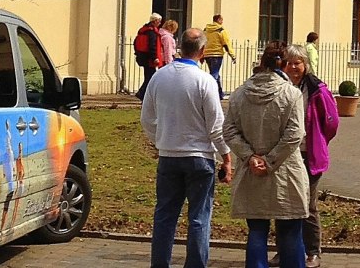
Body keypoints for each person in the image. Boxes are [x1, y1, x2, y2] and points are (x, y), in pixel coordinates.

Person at [141, 29, 232, 268]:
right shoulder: (205, 81)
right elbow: (216, 125)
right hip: (200, 156)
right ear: (202, 52)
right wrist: (226, 156)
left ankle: (159, 264)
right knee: (199, 218)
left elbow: (147, 119)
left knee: (165, 216)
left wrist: (160, 139)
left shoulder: (159, 77)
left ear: (180, 46)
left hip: (169, 155)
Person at [225, 42, 312, 268]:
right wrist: (270, 160)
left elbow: (229, 130)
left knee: (256, 229)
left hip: (252, 172)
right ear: (282, 64)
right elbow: (295, 134)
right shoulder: (291, 94)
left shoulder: (239, 93)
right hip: (285, 172)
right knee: (291, 231)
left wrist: (251, 157)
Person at [284, 44, 340, 267]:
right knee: (284, 204)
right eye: (289, 63)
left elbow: (332, 122)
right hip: (286, 154)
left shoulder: (318, 89)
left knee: (308, 204)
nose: (293, 67)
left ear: (305, 65)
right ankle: (286, 250)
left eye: (297, 63)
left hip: (310, 154)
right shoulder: (282, 86)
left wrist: (319, 140)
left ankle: (313, 252)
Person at [134, 14, 162, 99]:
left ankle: (143, 94)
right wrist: (154, 58)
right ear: (155, 21)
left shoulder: (143, 30)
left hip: (143, 56)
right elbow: (152, 46)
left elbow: (136, 42)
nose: (160, 23)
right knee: (150, 77)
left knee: (149, 76)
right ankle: (142, 93)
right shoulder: (152, 32)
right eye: (159, 21)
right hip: (150, 59)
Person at [204, 14, 232, 93]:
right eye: (222, 20)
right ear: (219, 20)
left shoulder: (206, 30)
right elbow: (226, 43)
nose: (222, 22)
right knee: (214, 74)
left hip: (207, 54)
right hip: (217, 54)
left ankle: (219, 93)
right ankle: (209, 92)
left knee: (215, 73)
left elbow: (202, 42)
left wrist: (202, 55)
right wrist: (232, 55)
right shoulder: (220, 30)